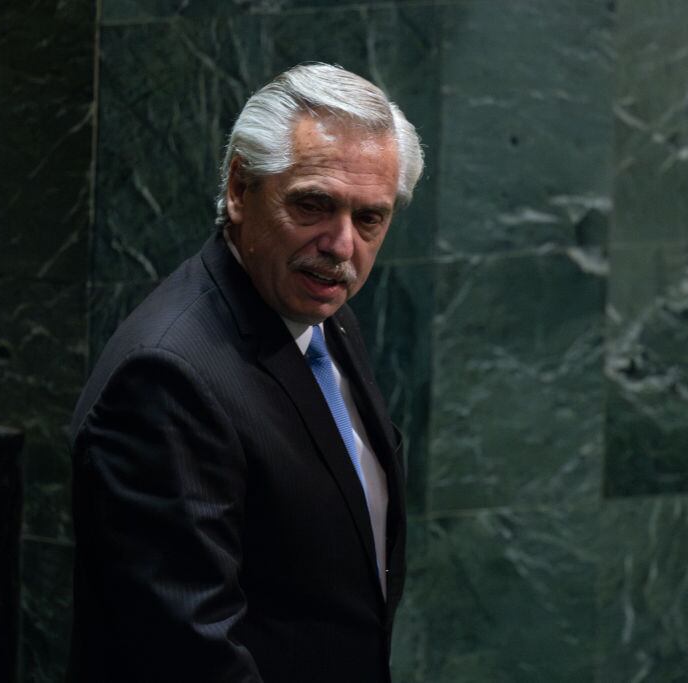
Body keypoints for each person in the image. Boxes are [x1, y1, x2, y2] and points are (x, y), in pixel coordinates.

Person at [68, 62, 424, 683]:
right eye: (313, 205)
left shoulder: (321, 311)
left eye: (370, 218)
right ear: (240, 188)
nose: (342, 245)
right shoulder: (166, 379)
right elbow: (190, 656)